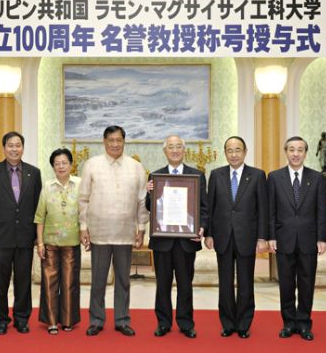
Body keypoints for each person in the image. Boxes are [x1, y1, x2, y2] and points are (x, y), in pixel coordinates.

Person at [79, 125, 148, 337]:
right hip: (99, 233)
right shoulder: (92, 165)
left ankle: (122, 320)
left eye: (119, 140)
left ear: (124, 141)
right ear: (104, 141)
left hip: (125, 233)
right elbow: (83, 199)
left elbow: (141, 200)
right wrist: (83, 228)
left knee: (123, 280)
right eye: (111, 140)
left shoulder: (136, 167)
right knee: (98, 280)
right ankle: (96, 320)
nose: (115, 144)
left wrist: (142, 228)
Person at [145, 135, 208, 338]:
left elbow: (203, 208)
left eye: (178, 147)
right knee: (162, 284)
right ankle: (163, 323)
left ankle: (186, 323)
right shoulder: (155, 176)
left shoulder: (197, 175)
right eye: (171, 147)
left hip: (186, 241)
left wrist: (201, 227)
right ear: (165, 151)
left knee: (185, 284)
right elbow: (150, 208)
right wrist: (149, 194)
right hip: (162, 241)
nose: (174, 150)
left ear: (184, 150)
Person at [205, 136, 268, 338]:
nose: (234, 154)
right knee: (224, 283)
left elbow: (263, 210)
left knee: (245, 283)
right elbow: (210, 207)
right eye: (230, 150)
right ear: (225, 153)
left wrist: (261, 237)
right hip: (222, 237)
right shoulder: (216, 175)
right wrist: (209, 233)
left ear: (245, 151)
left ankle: (243, 324)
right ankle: (227, 323)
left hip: (247, 237)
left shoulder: (257, 175)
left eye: (237, 150)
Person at [0, 131, 42, 335]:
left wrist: (37, 236)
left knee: (24, 281)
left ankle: (22, 319)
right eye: (10, 145)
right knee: (0, 281)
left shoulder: (34, 172)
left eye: (18, 145)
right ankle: (1, 319)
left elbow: (38, 207)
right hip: (1, 235)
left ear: (23, 148)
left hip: (25, 236)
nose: (14, 149)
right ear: (4, 147)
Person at [267, 136, 326, 341]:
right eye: (291, 149)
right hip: (283, 239)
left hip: (309, 240)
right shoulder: (275, 177)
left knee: (306, 283)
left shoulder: (317, 177)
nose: (295, 153)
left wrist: (322, 238)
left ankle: (304, 323)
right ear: (286, 152)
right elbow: (271, 211)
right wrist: (271, 237)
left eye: (300, 150)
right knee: (285, 284)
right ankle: (288, 323)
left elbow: (321, 210)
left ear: (305, 153)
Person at [34, 148, 81, 335]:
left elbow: (86, 211)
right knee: (49, 282)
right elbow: (40, 217)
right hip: (50, 242)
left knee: (70, 282)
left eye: (64, 163)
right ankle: (52, 322)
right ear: (53, 166)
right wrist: (39, 243)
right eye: (57, 163)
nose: (61, 166)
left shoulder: (80, 183)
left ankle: (68, 320)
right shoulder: (47, 186)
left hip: (72, 241)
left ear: (71, 164)